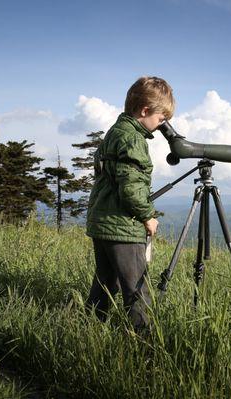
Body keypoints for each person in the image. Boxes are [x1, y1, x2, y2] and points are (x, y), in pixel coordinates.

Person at [85, 76, 174, 331]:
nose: (161, 125)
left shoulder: (115, 132)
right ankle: (143, 342)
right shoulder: (133, 140)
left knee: (104, 283)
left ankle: (91, 328)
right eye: (160, 119)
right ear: (145, 111)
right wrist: (148, 216)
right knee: (136, 289)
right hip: (123, 228)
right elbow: (132, 189)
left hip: (102, 223)